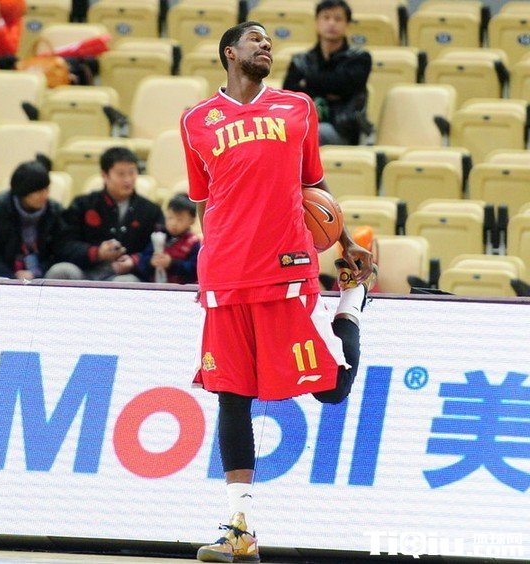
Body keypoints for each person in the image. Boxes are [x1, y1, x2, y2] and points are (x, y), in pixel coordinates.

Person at [180, 20, 375, 563]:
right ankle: (239, 529)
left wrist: (345, 244)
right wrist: (215, 254)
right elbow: (204, 200)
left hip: (286, 268)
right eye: (255, 39)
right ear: (230, 53)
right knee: (232, 397)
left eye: (270, 41)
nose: (266, 45)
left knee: (331, 390)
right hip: (225, 277)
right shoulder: (196, 121)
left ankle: (352, 304)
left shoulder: (297, 107)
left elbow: (315, 187)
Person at [46, 146, 165, 282]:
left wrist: (134, 261)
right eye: (121, 174)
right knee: (60, 271)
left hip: (124, 275)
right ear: (105, 175)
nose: (128, 179)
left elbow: (159, 248)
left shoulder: (151, 210)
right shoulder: (82, 204)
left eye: (132, 172)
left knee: (126, 283)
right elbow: (63, 244)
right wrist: (97, 253)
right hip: (84, 271)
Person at [282, 0, 372, 146]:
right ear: (317, 22)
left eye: (338, 19)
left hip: (343, 129)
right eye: (326, 17)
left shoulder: (359, 58)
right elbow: (290, 96)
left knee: (309, 132)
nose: (331, 23)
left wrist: (307, 82)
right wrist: (329, 89)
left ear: (347, 25)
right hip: (305, 122)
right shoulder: (300, 60)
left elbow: (342, 85)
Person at [0, 158, 68, 279]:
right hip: (4, 276)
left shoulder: (55, 211)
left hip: (43, 277)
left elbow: (61, 252)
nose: (45, 195)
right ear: (23, 191)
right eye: (38, 191)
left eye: (46, 189)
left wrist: (37, 273)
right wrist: (12, 278)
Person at [137, 192, 200, 284]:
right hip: (154, 286)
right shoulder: (157, 237)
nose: (174, 223)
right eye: (170, 218)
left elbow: (195, 270)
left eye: (180, 219)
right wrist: (151, 262)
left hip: (182, 288)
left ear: (192, 221)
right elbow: (141, 263)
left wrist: (172, 263)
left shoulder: (193, 242)